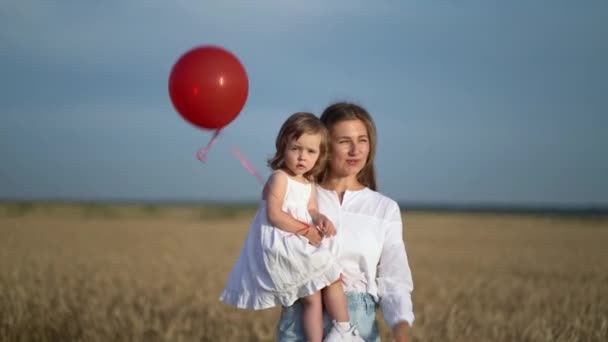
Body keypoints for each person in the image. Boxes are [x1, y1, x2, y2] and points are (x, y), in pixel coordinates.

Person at [220, 112, 365, 342]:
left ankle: (337, 332)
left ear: (319, 155)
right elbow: (275, 215)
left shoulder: (309, 182)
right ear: (283, 146)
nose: (302, 157)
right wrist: (307, 230)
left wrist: (319, 220)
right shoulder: (279, 177)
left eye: (310, 151)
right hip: (282, 243)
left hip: (298, 239)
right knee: (321, 284)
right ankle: (336, 332)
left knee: (322, 287)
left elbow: (311, 209)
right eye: (296, 148)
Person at [276, 102, 415, 342]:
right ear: (323, 146)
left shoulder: (384, 208)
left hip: (358, 329)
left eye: (362, 140)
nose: (356, 150)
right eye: (344, 141)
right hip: (300, 326)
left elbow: (395, 281)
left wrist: (400, 330)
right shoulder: (298, 197)